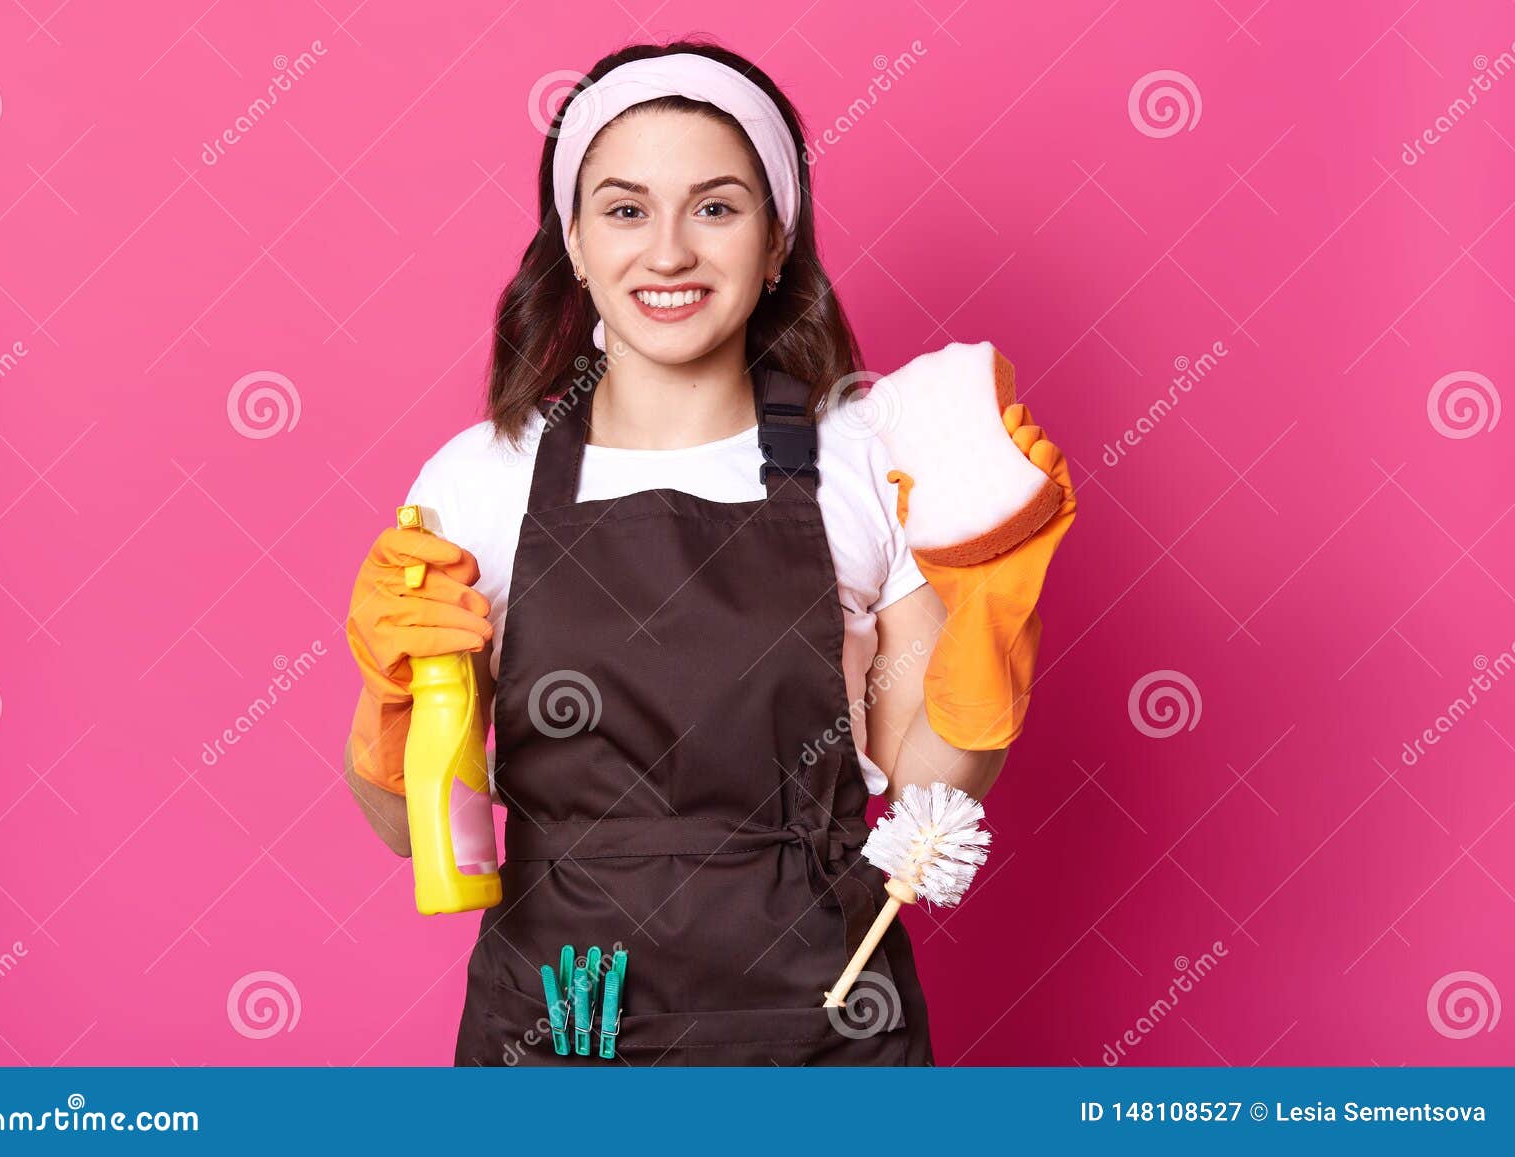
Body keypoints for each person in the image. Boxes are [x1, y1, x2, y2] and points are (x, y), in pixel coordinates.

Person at [341, 39, 1074, 1065]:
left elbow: (925, 787)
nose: (670, 252)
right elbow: (415, 832)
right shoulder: (481, 478)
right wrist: (389, 705)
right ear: (576, 242)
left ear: (776, 243)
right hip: (559, 1032)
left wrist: (989, 619)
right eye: (626, 209)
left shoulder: (868, 451)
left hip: (824, 1032)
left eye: (716, 207)